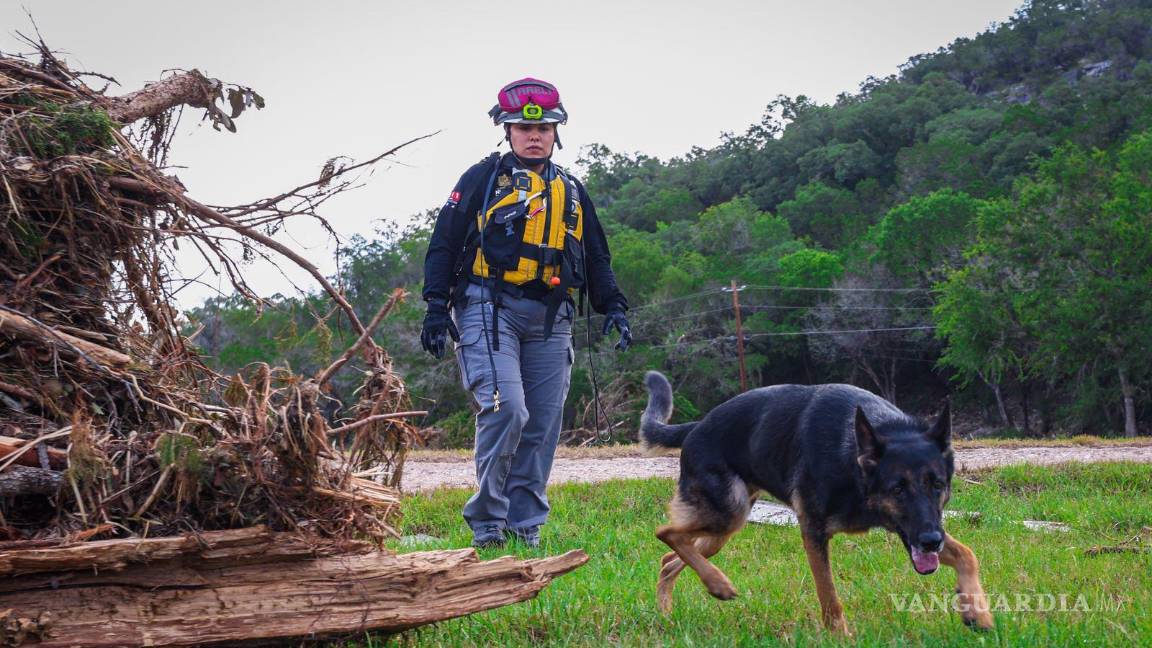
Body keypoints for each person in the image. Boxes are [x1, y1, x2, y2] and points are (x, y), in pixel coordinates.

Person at [421, 78, 631, 548]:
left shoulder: (572, 189)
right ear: (507, 130)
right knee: (507, 409)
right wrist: (436, 307)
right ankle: (489, 523)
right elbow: (444, 242)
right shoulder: (481, 179)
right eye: (522, 127)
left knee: (541, 422)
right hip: (487, 306)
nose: (533, 136)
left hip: (552, 316)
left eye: (544, 128)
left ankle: (525, 525)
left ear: (557, 132)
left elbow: (596, 256)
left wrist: (614, 307)